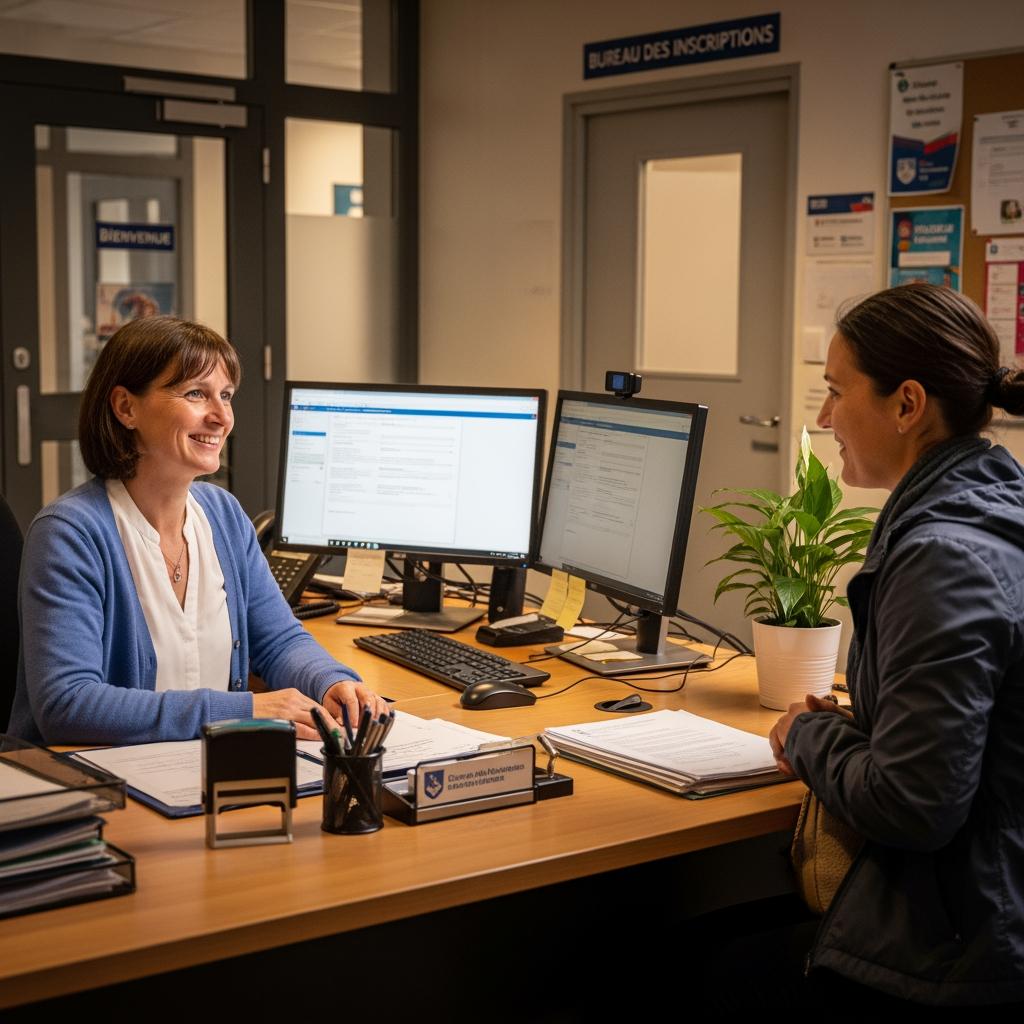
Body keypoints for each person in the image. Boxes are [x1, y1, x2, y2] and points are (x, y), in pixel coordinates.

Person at [765, 283, 1024, 1008]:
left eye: (835, 392)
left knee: (644, 972)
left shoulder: (945, 555)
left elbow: (913, 803)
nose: (822, 418)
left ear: (907, 405)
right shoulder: (995, 509)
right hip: (987, 920)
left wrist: (810, 733)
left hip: (961, 953)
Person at [9, 316, 387, 746]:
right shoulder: (70, 534)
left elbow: (278, 640)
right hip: (101, 783)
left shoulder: (222, 514)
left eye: (226, 396)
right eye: (195, 394)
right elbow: (68, 705)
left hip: (203, 767)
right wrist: (245, 710)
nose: (221, 416)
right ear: (125, 407)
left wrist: (331, 682)